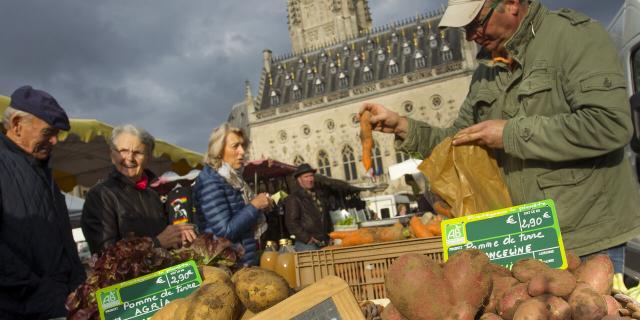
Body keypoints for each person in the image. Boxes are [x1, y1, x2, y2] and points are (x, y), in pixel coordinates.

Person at [361, 0, 640, 273]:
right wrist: (403, 127)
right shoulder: (486, 69)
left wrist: (510, 134)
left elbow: (610, 124)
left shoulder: (574, 37)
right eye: (465, 29)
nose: (471, 36)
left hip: (588, 240)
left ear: (512, 4)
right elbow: (459, 140)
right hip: (526, 238)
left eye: (477, 23)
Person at [0, 86, 86, 319]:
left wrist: (77, 284)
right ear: (17, 124)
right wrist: (47, 295)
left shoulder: (42, 171)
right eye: (48, 132)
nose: (55, 141)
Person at [81, 124, 196, 254]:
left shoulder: (153, 195)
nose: (129, 158)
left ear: (148, 158)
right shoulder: (99, 195)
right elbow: (105, 253)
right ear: (112, 155)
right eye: (123, 151)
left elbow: (166, 239)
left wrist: (178, 234)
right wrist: (156, 243)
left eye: (137, 152)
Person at [194, 123, 272, 266]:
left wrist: (259, 207)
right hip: (228, 265)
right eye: (235, 146)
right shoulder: (211, 181)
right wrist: (254, 206)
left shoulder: (232, 178)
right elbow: (224, 231)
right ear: (218, 150)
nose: (242, 151)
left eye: (243, 146)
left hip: (241, 261)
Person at [284, 163, 333, 252]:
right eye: (306, 177)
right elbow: (291, 222)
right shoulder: (294, 198)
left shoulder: (319, 196)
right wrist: (307, 238)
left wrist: (331, 235)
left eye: (311, 176)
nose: (310, 179)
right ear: (299, 180)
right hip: (307, 243)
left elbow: (327, 218)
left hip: (324, 241)